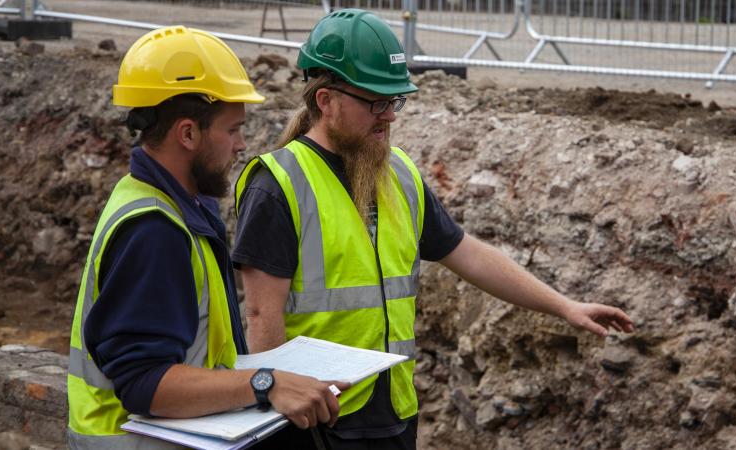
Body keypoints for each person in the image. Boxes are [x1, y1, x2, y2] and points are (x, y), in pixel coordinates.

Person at [232, 9, 635, 449]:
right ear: (326, 101)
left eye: (396, 101)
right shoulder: (277, 185)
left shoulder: (397, 173)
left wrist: (564, 306)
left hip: (394, 417)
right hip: (316, 426)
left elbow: (467, 253)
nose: (390, 116)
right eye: (376, 102)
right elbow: (260, 318)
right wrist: (275, 419)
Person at [66, 26, 348, 449]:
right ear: (188, 134)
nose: (242, 145)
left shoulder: (170, 204)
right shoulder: (154, 231)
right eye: (233, 129)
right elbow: (144, 383)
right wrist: (265, 383)